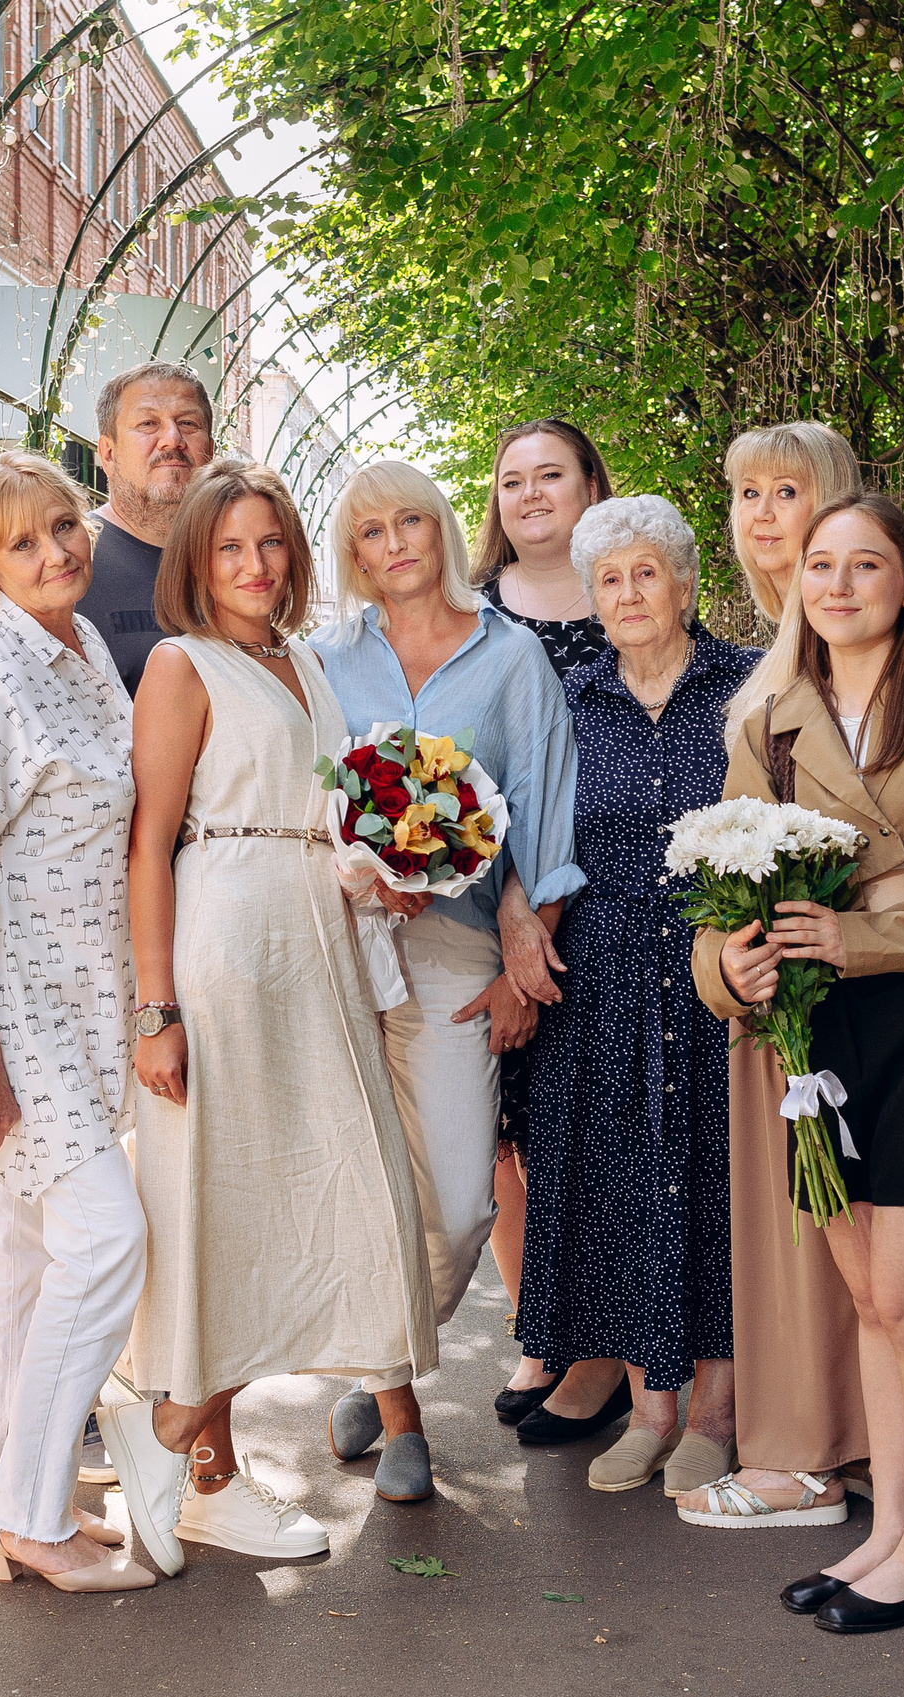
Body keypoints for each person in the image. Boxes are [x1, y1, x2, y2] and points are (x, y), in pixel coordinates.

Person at [696, 494, 904, 1637]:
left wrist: (870, 930)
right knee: (865, 1302)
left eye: (866, 565)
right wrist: (729, 969)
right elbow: (727, 882)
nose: (837, 584)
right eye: (820, 566)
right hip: (815, 1034)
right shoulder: (769, 723)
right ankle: (888, 1530)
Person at [98, 458, 436, 1575]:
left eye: (272, 543)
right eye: (230, 546)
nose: (254, 564)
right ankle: (196, 1467)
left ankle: (168, 1448)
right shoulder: (180, 665)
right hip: (227, 943)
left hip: (320, 942)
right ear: (197, 559)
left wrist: (387, 869)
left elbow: (331, 808)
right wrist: (157, 1008)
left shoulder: (301, 661)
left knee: (339, 1184)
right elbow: (149, 840)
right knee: (217, 1206)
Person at [305, 460, 582, 1503]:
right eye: (369, 530)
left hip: (463, 955)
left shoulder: (512, 659)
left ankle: (378, 1351)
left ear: (442, 528)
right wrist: (363, 870)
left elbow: (547, 818)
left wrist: (526, 954)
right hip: (342, 945)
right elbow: (301, 800)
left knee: (461, 1200)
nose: (394, 543)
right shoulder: (326, 659)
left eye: (410, 518)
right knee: (363, 1182)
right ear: (354, 553)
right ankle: (391, 1394)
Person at [0, 451, 152, 1593]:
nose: (57, 551)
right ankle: (34, 1513)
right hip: (17, 1016)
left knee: (15, 1256)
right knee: (105, 1241)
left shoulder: (83, 644)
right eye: (22, 542)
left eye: (63, 526)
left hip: (88, 999)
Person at [516, 495, 756, 1497]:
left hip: (717, 973)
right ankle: (647, 1409)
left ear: (686, 581)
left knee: (717, 1189)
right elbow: (523, 833)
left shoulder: (743, 682)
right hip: (601, 978)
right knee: (616, 1189)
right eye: (607, 578)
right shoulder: (567, 698)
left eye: (645, 572)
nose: (627, 593)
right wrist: (519, 932)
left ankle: (716, 1411)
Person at [678, 420, 875, 1533]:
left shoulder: (864, 656)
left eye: (784, 488)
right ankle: (820, 1443)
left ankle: (813, 1454)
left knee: (832, 1223)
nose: (759, 511)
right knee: (799, 1218)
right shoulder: (769, 659)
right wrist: (722, 958)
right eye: (744, 490)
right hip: (771, 987)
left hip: (843, 984)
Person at [470, 417, 613, 1422]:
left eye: (549, 475)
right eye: (511, 480)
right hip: (480, 903)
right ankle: (538, 1339)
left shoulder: (628, 598)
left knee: (589, 1129)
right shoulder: (468, 613)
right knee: (498, 1135)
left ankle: (604, 1345)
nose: (529, 494)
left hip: (602, 901)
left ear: (590, 486)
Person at [82, 360, 216, 693]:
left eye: (187, 423)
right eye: (148, 423)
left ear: (210, 452)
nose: (172, 439)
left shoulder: (239, 562)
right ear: (108, 454)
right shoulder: (67, 561)